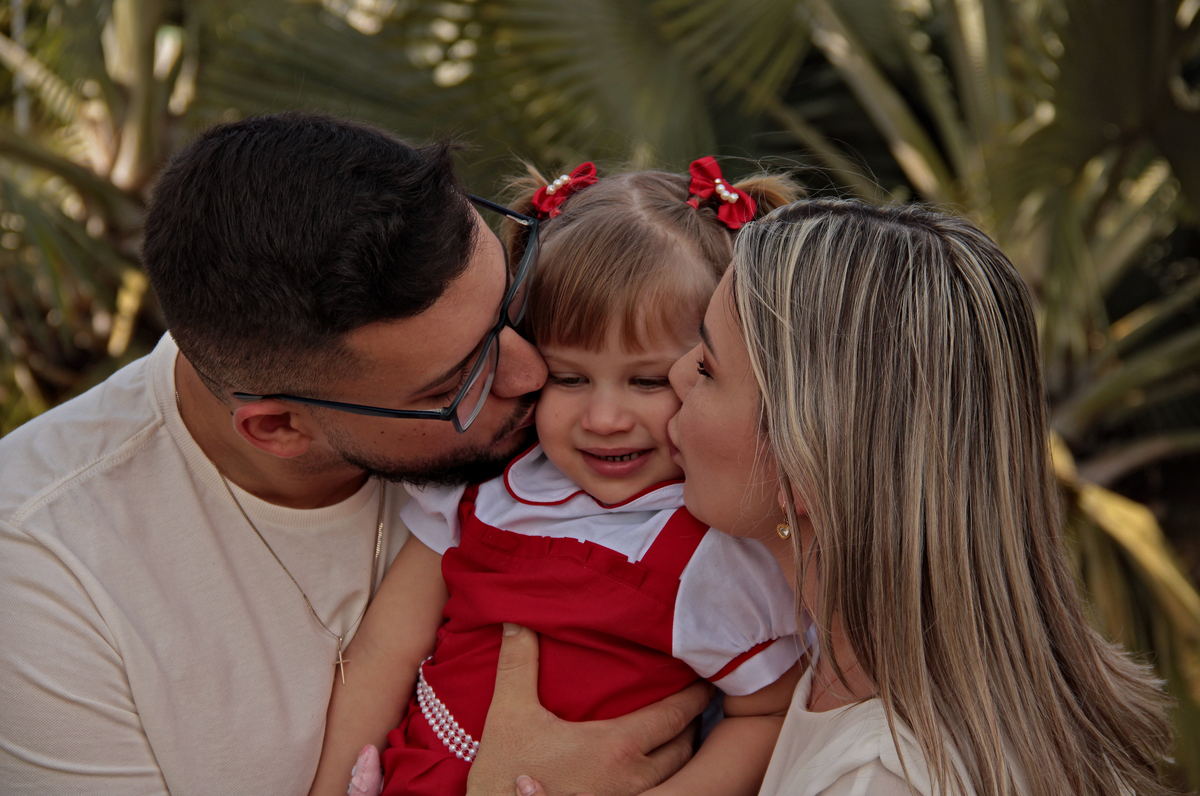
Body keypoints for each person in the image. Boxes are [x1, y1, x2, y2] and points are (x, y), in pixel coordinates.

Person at [0, 113, 708, 795]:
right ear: (279, 428)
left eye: (511, 310)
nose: (533, 376)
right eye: (458, 382)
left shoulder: (602, 431)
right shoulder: (46, 576)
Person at [481, 198, 1179, 796]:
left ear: (803, 471)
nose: (675, 377)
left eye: (709, 366)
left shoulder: (882, 779)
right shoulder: (832, 679)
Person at [308, 159, 806, 796]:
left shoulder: (716, 551)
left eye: (648, 381)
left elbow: (765, 715)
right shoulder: (486, 489)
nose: (602, 419)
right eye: (569, 377)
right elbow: (387, 648)